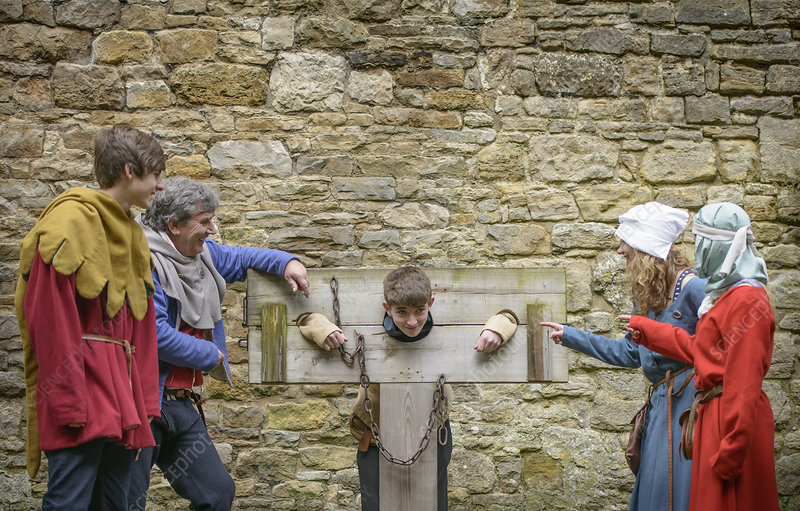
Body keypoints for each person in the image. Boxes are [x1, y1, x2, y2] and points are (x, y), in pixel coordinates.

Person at [128, 177, 311, 511]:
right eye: (205, 221)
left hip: (180, 405)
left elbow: (243, 258)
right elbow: (153, 335)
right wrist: (208, 354)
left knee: (216, 493)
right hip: (141, 404)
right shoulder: (143, 262)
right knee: (127, 501)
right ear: (174, 225)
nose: (213, 229)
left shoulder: (201, 257)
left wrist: (288, 261)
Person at [15, 125, 165, 510]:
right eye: (156, 174)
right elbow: (49, 323)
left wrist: (144, 403)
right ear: (130, 171)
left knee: (116, 504)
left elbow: (140, 329)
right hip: (79, 395)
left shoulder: (132, 232)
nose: (161, 186)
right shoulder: (68, 224)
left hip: (121, 400)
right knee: (70, 503)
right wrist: (68, 405)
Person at [297, 265, 518, 510]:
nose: (412, 321)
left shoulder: (441, 328)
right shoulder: (368, 330)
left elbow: (511, 315)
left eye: (419, 311)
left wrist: (499, 328)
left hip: (432, 434)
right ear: (387, 308)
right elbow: (302, 316)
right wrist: (322, 329)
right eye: (401, 312)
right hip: (375, 437)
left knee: (433, 504)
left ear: (430, 304)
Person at [541, 201, 707, 511]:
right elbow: (631, 353)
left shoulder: (694, 288)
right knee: (655, 489)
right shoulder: (650, 293)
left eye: (626, 242)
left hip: (690, 409)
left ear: (646, 248)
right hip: (661, 407)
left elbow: (721, 342)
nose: (620, 251)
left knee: (683, 489)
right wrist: (572, 336)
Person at [622, 202, 779, 511]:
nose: (698, 250)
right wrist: (646, 330)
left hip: (728, 423)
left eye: (702, 241)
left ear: (719, 244)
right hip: (714, 418)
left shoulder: (748, 299)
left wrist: (731, 452)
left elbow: (743, 384)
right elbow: (701, 351)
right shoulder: (730, 296)